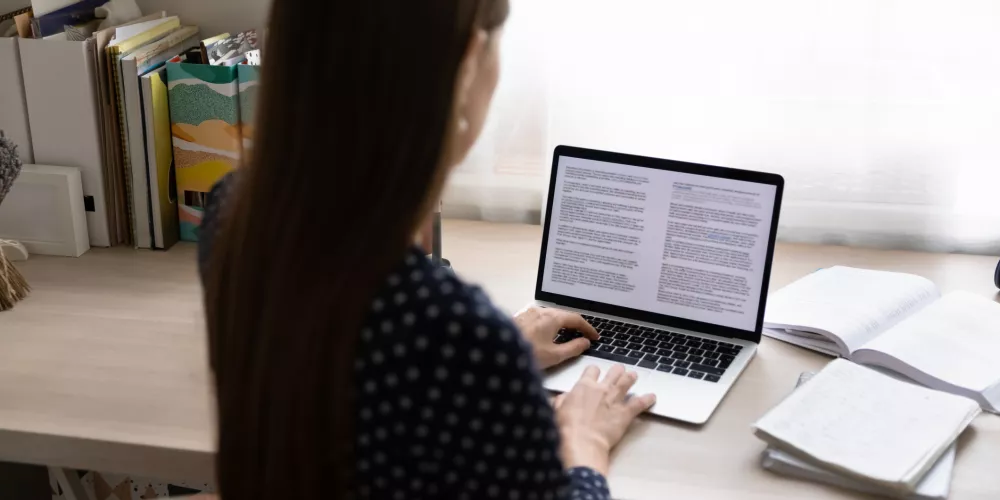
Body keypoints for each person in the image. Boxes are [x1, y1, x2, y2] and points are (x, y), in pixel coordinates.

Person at [200, 1, 656, 499]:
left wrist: (485, 368)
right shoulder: (459, 337)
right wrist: (584, 444)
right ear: (468, 62)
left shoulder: (231, 214)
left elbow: (350, 383)